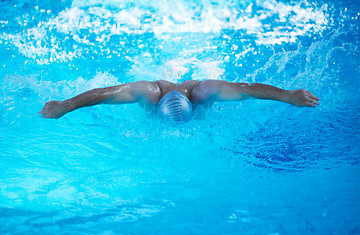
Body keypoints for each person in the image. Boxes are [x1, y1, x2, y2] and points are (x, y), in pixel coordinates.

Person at [39, 80, 319, 121]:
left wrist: (288, 96)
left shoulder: (203, 92)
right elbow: (104, 94)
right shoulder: (148, 92)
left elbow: (244, 89)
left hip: (194, 96)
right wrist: (66, 105)